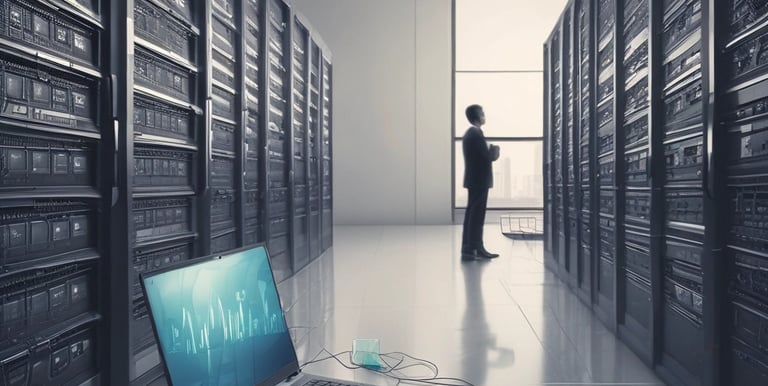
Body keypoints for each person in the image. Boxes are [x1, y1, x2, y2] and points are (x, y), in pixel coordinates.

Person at [461, 104, 500, 260]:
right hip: (479, 180)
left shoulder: (470, 134)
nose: (484, 115)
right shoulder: (476, 134)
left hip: (474, 180)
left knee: (472, 214)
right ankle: (476, 247)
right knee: (477, 216)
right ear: (477, 116)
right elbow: (487, 157)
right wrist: (495, 150)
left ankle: (469, 249)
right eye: (482, 113)